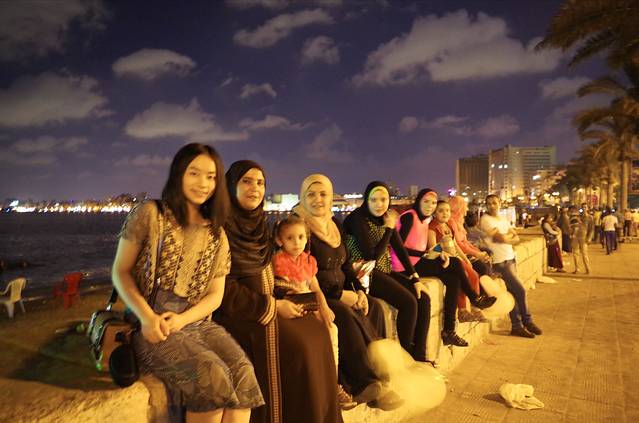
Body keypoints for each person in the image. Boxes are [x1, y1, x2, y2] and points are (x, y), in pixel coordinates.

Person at [112, 143, 263, 423]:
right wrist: (147, 318)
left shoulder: (217, 233)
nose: (203, 183)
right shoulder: (150, 214)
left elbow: (216, 294)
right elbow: (120, 271)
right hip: (151, 325)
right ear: (179, 173)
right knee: (211, 377)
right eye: (194, 173)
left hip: (196, 323)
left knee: (244, 376)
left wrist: (182, 320)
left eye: (211, 176)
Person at [215, 160, 342, 423]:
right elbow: (224, 289)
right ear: (230, 187)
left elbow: (272, 275)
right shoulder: (220, 230)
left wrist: (294, 301)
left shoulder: (258, 226)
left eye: (260, 183)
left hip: (269, 302)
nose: (255, 188)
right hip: (240, 315)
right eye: (246, 181)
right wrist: (273, 307)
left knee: (318, 331)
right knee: (300, 344)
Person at [292, 174, 403, 411]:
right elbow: (305, 273)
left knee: (374, 307)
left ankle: (381, 380)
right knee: (344, 314)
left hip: (339, 290)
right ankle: (363, 383)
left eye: (323, 194)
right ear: (303, 197)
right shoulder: (300, 228)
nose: (318, 199)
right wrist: (340, 295)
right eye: (311, 194)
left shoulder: (333, 225)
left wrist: (359, 291)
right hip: (314, 294)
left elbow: (345, 265)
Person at [343, 181, 433, 358]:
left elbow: (399, 248)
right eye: (374, 200)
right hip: (362, 273)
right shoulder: (357, 219)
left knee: (423, 298)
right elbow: (371, 256)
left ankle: (420, 355)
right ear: (366, 200)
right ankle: (406, 356)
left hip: (382, 270)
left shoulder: (385, 218)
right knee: (409, 303)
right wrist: (389, 229)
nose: (379, 204)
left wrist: (414, 278)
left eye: (383, 199)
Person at [480, 194, 542, 338]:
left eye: (494, 203)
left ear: (500, 203)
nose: (492, 206)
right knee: (520, 290)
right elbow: (501, 238)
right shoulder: (485, 219)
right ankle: (527, 321)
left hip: (510, 258)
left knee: (513, 293)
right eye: (489, 203)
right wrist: (506, 238)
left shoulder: (503, 219)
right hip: (499, 262)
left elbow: (516, 237)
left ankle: (516, 326)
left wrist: (506, 238)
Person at [428, 200, 494, 323]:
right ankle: (465, 310)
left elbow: (455, 245)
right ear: (434, 213)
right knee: (466, 277)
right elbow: (432, 247)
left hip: (455, 258)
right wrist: (444, 253)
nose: (445, 213)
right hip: (445, 260)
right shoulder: (432, 227)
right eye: (441, 211)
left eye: (447, 210)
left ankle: (474, 308)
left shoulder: (448, 226)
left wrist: (465, 258)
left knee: (473, 276)